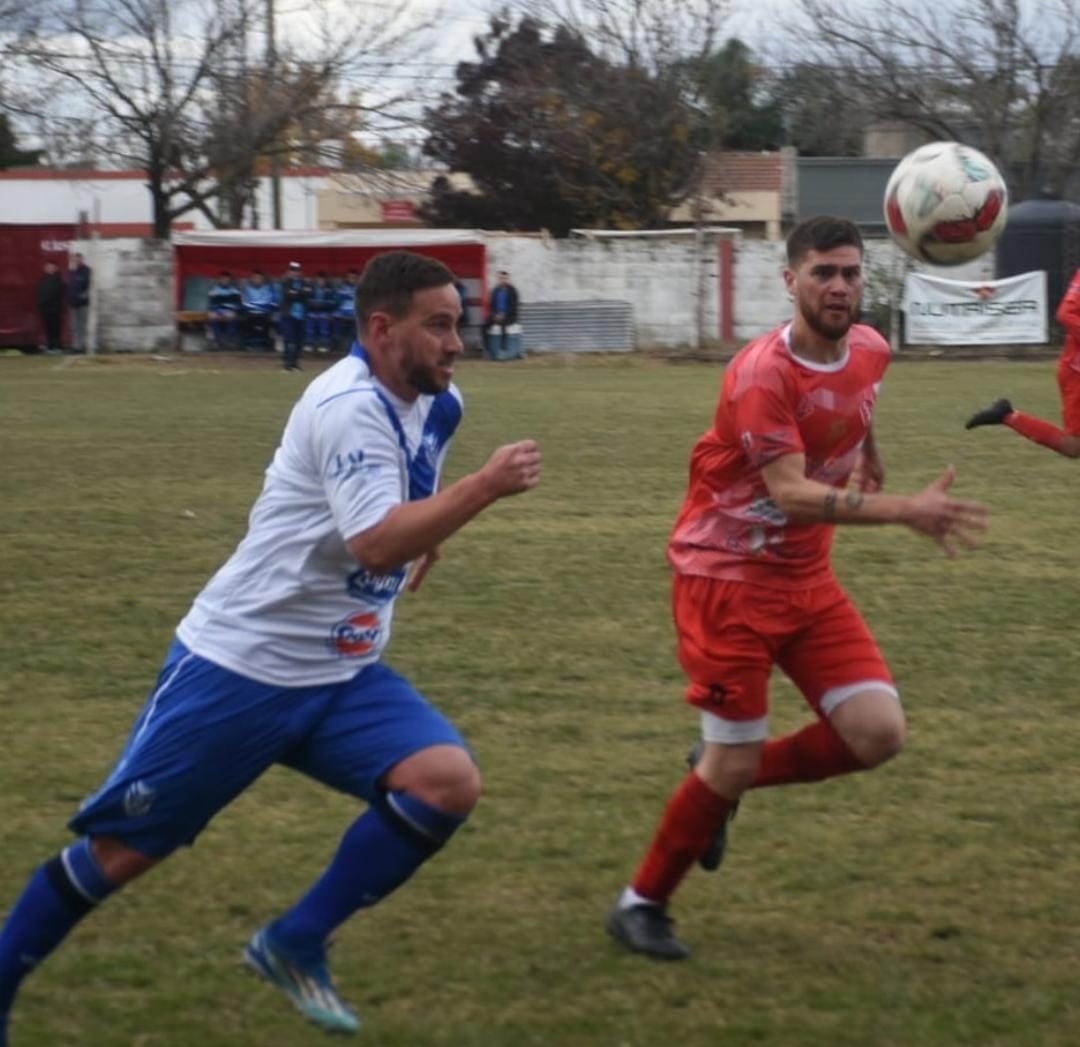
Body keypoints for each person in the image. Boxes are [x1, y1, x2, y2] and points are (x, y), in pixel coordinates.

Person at [0, 251, 542, 1042]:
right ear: (382, 329)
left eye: (459, 322)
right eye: (439, 325)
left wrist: (435, 525)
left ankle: (294, 940)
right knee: (122, 852)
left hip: (340, 668)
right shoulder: (347, 404)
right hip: (240, 667)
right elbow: (373, 544)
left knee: (444, 782)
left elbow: (402, 502)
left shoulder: (440, 401)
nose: (457, 341)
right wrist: (480, 491)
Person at [605, 215, 989, 962]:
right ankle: (641, 901)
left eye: (849, 272)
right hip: (725, 581)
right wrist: (905, 507)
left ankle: (717, 779)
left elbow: (859, 394)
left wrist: (867, 452)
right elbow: (788, 493)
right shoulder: (761, 375)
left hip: (806, 578)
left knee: (877, 733)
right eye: (823, 273)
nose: (839, 286)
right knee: (734, 759)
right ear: (790, 281)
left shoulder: (872, 347)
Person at [965, 267, 1080, 457]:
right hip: (1077, 374)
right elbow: (1066, 313)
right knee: (1073, 447)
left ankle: (1006, 415)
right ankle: (1007, 416)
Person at [280, 260, 311, 371]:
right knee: (289, 340)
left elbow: (308, 293)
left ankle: (295, 363)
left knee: (299, 341)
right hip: (289, 315)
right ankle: (287, 363)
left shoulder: (304, 282)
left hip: (301, 316)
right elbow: (288, 295)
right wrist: (300, 293)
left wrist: (297, 293)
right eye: (292, 271)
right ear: (288, 271)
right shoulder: (285, 282)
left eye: (296, 271)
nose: (295, 273)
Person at [483, 270, 520, 361]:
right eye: (500, 278)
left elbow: (514, 307)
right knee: (484, 326)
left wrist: (504, 314)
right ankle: (488, 350)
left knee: (503, 327)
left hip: (509, 316)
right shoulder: (495, 290)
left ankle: (503, 351)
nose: (502, 280)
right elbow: (492, 305)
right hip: (496, 315)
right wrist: (495, 315)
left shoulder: (513, 291)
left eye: (504, 278)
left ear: (508, 279)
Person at [241, 270, 278, 350]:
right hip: (250, 314)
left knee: (268, 322)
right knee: (244, 322)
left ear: (263, 279)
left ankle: (265, 344)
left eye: (259, 278)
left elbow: (271, 303)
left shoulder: (268, 289)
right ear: (251, 279)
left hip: (265, 314)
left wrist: (257, 305)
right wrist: (260, 305)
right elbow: (245, 303)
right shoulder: (247, 289)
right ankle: (248, 344)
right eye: (255, 278)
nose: (257, 280)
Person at [206, 271, 243, 349]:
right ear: (219, 280)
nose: (224, 281)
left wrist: (232, 310)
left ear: (230, 280)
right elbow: (211, 305)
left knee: (231, 316)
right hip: (217, 310)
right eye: (222, 279)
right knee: (212, 316)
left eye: (226, 279)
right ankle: (217, 339)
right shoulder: (214, 291)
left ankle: (230, 339)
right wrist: (217, 312)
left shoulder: (234, 292)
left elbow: (238, 305)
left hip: (230, 311)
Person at [36, 261, 65, 355]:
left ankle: (57, 347)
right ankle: (50, 346)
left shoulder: (57, 280)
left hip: (54, 309)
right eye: (47, 266)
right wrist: (40, 303)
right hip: (45, 309)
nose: (49, 268)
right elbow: (39, 292)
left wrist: (43, 301)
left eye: (51, 267)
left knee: (55, 328)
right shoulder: (42, 279)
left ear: (55, 268)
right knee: (47, 328)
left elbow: (53, 293)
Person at [306, 271, 337, 354]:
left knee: (324, 330)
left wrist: (323, 305)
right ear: (316, 280)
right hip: (312, 312)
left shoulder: (329, 289)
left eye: (322, 280)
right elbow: (307, 301)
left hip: (324, 313)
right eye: (319, 280)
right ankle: (309, 345)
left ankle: (324, 346)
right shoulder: (311, 288)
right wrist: (315, 304)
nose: (320, 282)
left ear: (325, 280)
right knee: (310, 329)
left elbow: (333, 302)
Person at [331, 269, 360, 353]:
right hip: (342, 317)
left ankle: (352, 352)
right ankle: (338, 350)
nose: (352, 279)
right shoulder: (341, 288)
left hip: (354, 317)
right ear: (347, 278)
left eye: (354, 278)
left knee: (354, 336)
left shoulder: (360, 289)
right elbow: (336, 300)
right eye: (350, 277)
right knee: (339, 336)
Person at [69, 253, 92, 354]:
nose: (77, 261)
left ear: (82, 259)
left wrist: (83, 296)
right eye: (75, 259)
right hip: (73, 303)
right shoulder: (72, 271)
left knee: (82, 325)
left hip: (83, 303)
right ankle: (75, 346)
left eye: (79, 259)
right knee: (74, 326)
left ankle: (81, 346)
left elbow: (90, 286)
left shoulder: (87, 271)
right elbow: (70, 287)